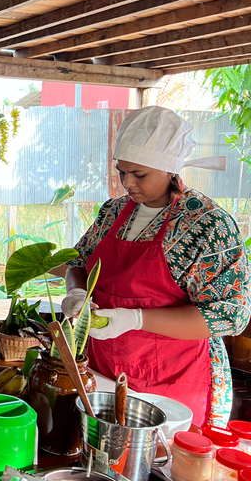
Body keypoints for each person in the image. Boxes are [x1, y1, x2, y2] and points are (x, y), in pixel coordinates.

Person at [62, 106, 250, 427]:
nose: (127, 183)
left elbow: (231, 314)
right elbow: (78, 262)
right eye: (122, 171)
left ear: (170, 168)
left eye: (139, 174)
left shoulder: (206, 224)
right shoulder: (113, 212)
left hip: (170, 385)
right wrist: (77, 293)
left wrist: (135, 319)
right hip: (103, 371)